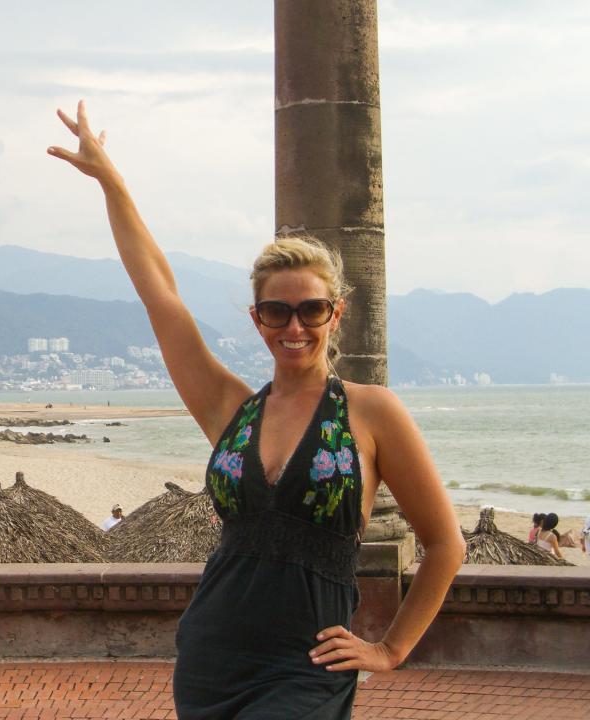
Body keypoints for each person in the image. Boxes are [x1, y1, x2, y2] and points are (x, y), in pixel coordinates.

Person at [49, 101, 466, 719]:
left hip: (307, 666)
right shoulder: (232, 410)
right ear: (257, 319)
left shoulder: (373, 414)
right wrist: (112, 183)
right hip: (215, 655)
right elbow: (158, 292)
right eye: (277, 311)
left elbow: (445, 544)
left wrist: (391, 649)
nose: (294, 326)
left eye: (311, 310)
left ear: (336, 314)